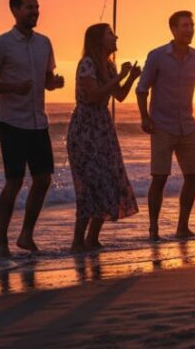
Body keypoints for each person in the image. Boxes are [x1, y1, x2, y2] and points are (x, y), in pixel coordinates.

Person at [0, 0, 64, 257]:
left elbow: (48, 80)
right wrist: (13, 87)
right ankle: (1, 241)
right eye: (29, 7)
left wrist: (54, 84)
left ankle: (26, 234)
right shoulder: (0, 44)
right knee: (14, 182)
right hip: (12, 122)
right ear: (15, 10)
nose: (35, 12)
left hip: (39, 122)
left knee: (43, 180)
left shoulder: (44, 43)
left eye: (36, 7)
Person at [136, 11, 195, 241]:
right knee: (159, 178)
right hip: (161, 125)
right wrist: (144, 118)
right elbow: (142, 89)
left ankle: (182, 227)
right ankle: (153, 229)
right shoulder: (157, 56)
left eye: (192, 25)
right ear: (173, 29)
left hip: (187, 126)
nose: (190, 29)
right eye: (185, 26)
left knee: (193, 175)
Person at [67, 24, 141, 252]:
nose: (115, 36)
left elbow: (118, 95)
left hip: (103, 128)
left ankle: (93, 239)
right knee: (90, 183)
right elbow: (95, 95)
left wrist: (129, 79)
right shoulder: (87, 64)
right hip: (86, 130)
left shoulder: (108, 65)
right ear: (99, 39)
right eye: (110, 34)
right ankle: (78, 241)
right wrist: (119, 76)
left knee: (109, 179)